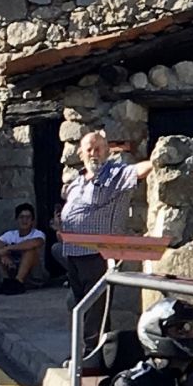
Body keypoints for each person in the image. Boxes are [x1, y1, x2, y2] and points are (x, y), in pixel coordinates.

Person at [58, 130, 152, 353]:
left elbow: (139, 170)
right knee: (80, 306)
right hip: (73, 254)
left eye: (98, 148)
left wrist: (158, 160)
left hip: (98, 255)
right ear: (81, 153)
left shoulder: (115, 174)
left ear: (108, 151)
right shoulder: (77, 181)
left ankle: (94, 356)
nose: (94, 153)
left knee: (96, 311)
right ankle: (85, 353)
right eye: (89, 149)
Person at [0, 202, 46, 295]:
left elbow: (34, 243)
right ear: (16, 219)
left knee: (30, 251)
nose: (25, 220)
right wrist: (1, 253)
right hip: (12, 270)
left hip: (33, 276)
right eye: (21, 217)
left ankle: (19, 282)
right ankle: (6, 281)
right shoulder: (10, 234)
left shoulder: (38, 234)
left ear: (32, 220)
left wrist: (7, 249)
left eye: (28, 217)